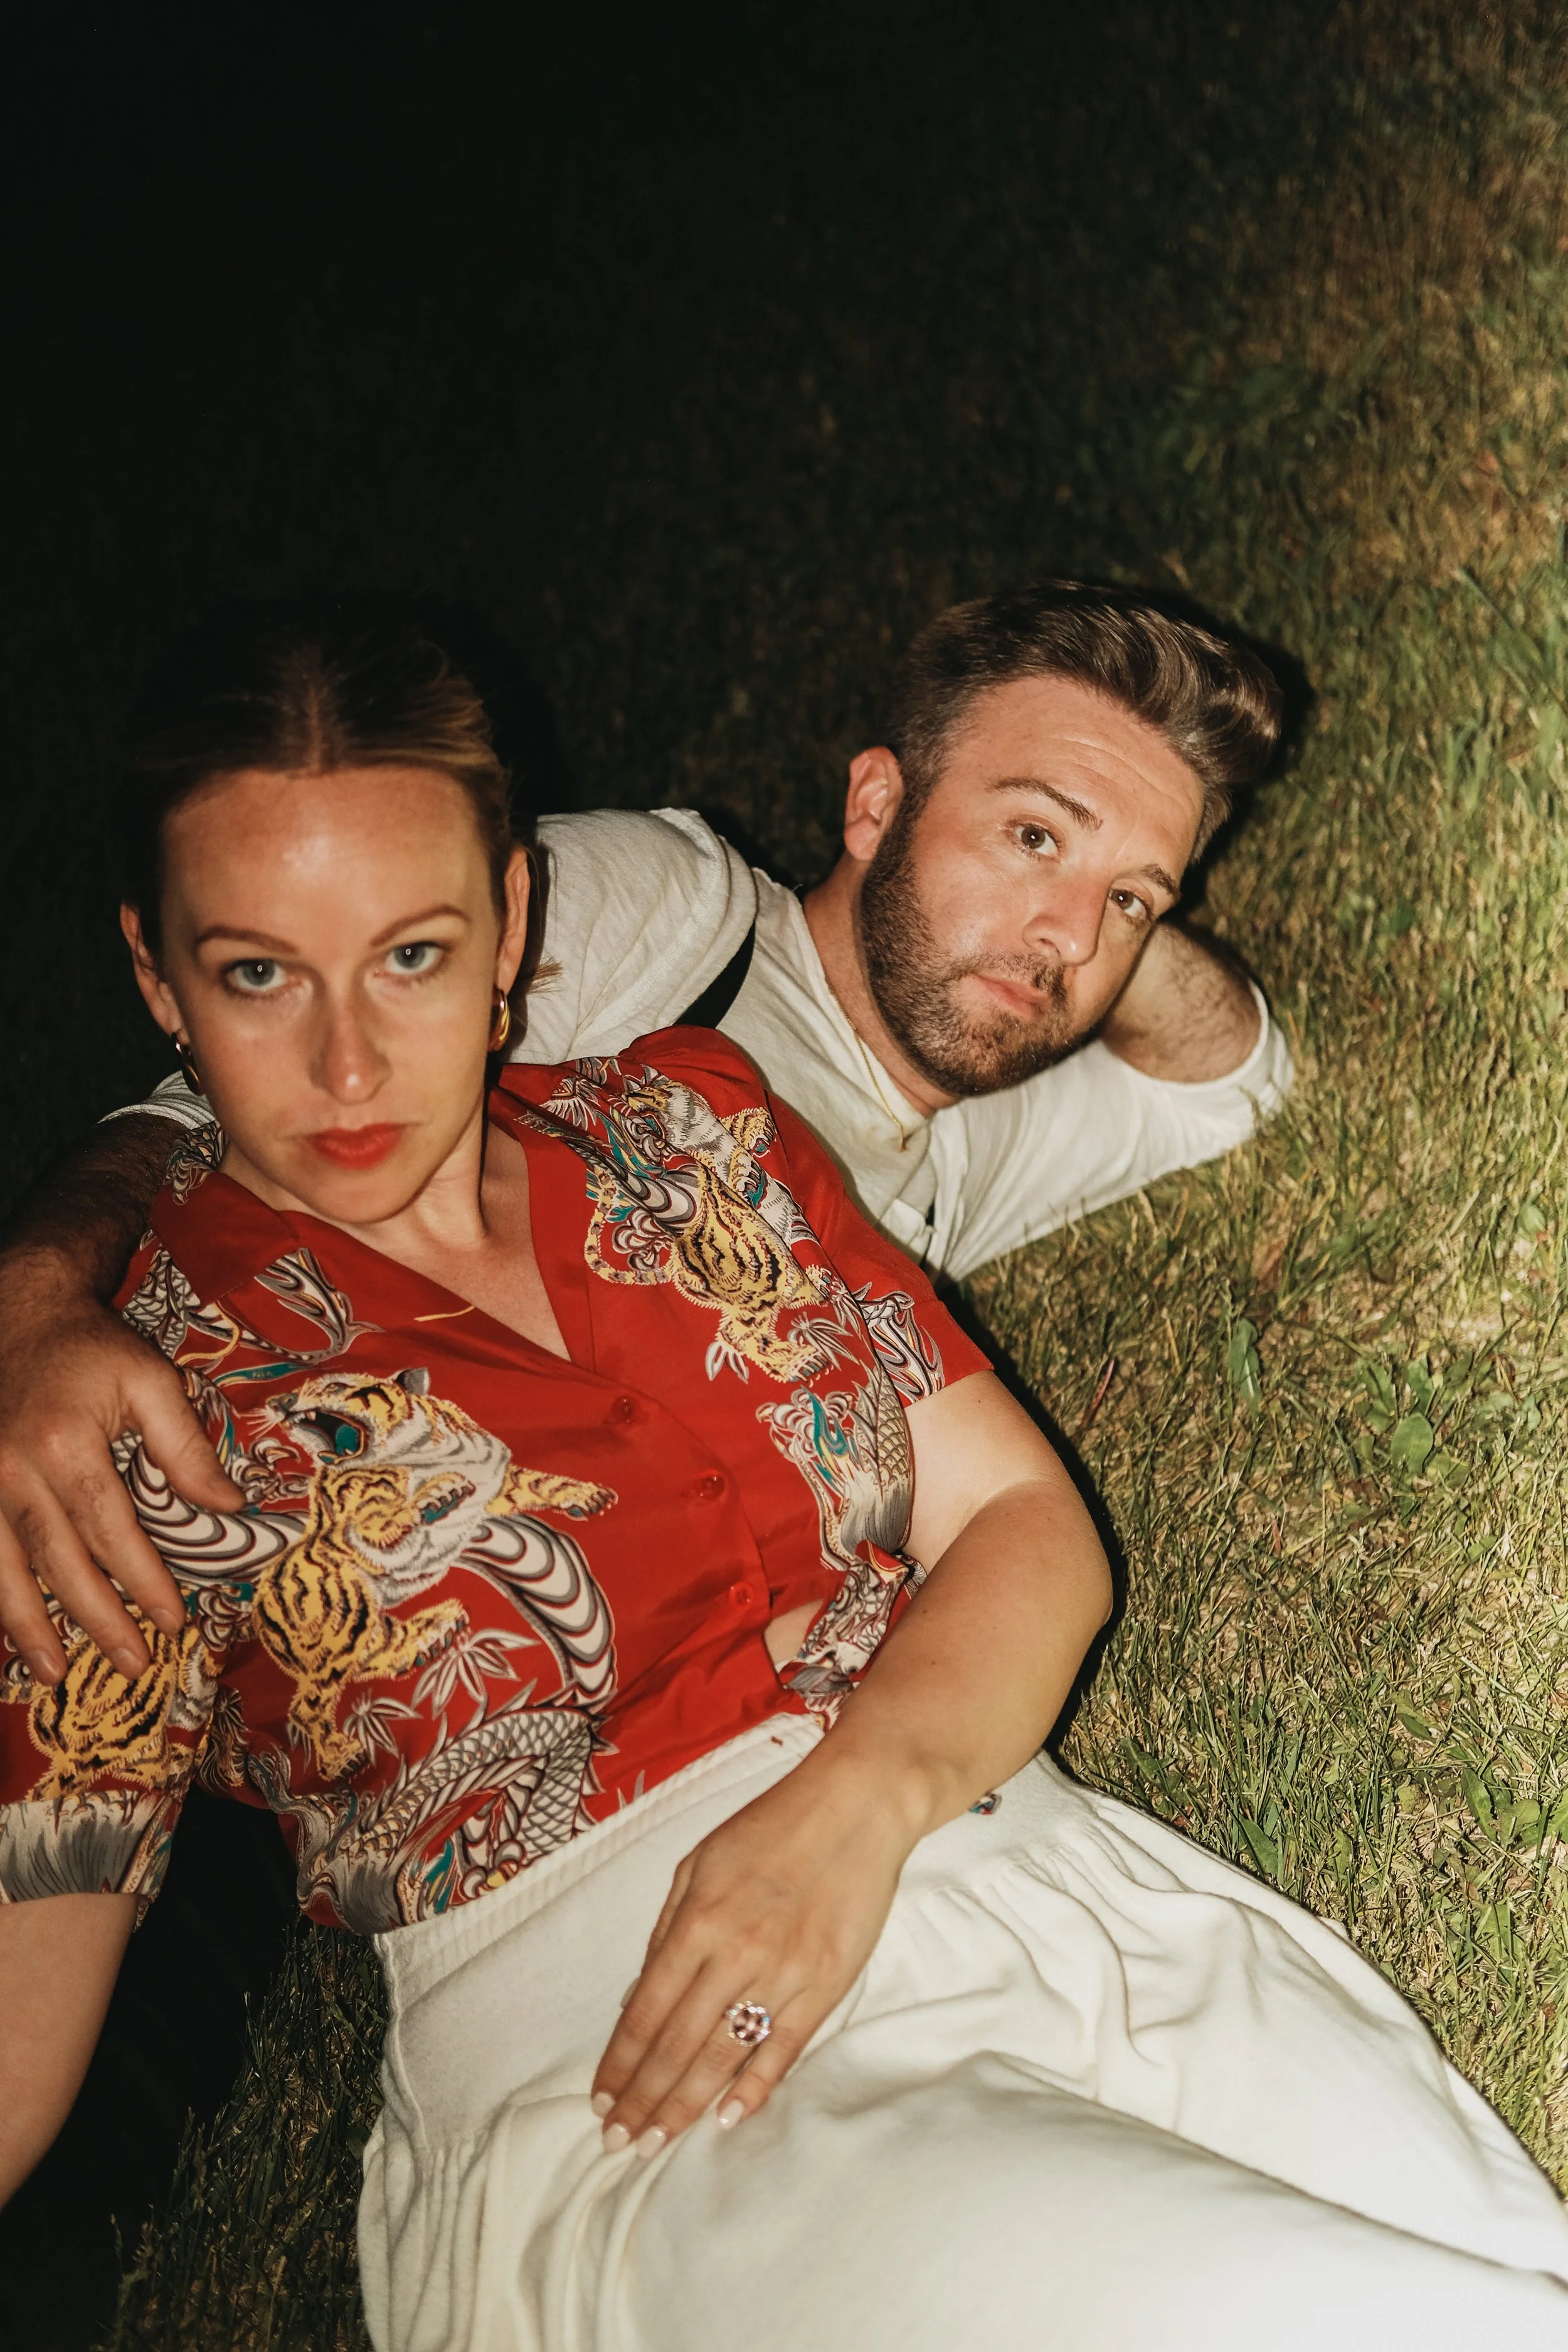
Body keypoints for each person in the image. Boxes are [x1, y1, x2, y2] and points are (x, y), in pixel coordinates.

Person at [1, 604, 1564, 2352]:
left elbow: (1029, 1521)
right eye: (260, 971)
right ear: (159, 977)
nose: (349, 1061)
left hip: (1057, 1891)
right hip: (661, 2076)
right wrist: (35, 1288)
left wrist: (851, 1811)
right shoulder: (118, 1397)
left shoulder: (690, 1124)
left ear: (509, 925)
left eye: (416, 954)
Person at [0, 582, 1294, 1687]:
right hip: (177, 1495)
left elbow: (1231, 1076)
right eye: (1027, 833)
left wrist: (1079, 898)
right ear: (875, 804)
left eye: (1129, 897)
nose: (1070, 932)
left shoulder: (961, 1164)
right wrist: (36, 1297)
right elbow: (225, 1093)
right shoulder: (682, 920)